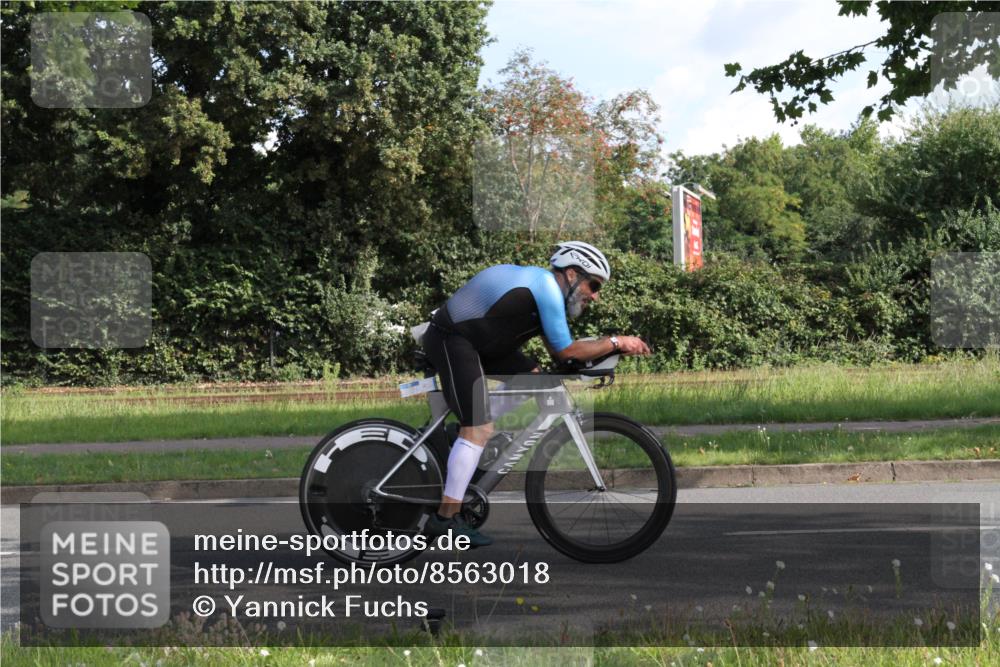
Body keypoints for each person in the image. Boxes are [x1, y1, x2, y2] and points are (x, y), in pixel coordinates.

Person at [421, 241, 652, 546]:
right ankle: (445, 519)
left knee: (535, 380)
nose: (595, 296)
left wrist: (595, 359)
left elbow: (563, 357)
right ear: (572, 274)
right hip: (451, 339)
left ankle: (458, 440)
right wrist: (616, 341)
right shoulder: (544, 286)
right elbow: (567, 349)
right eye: (593, 285)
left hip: (477, 343)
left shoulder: (545, 292)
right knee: (478, 428)